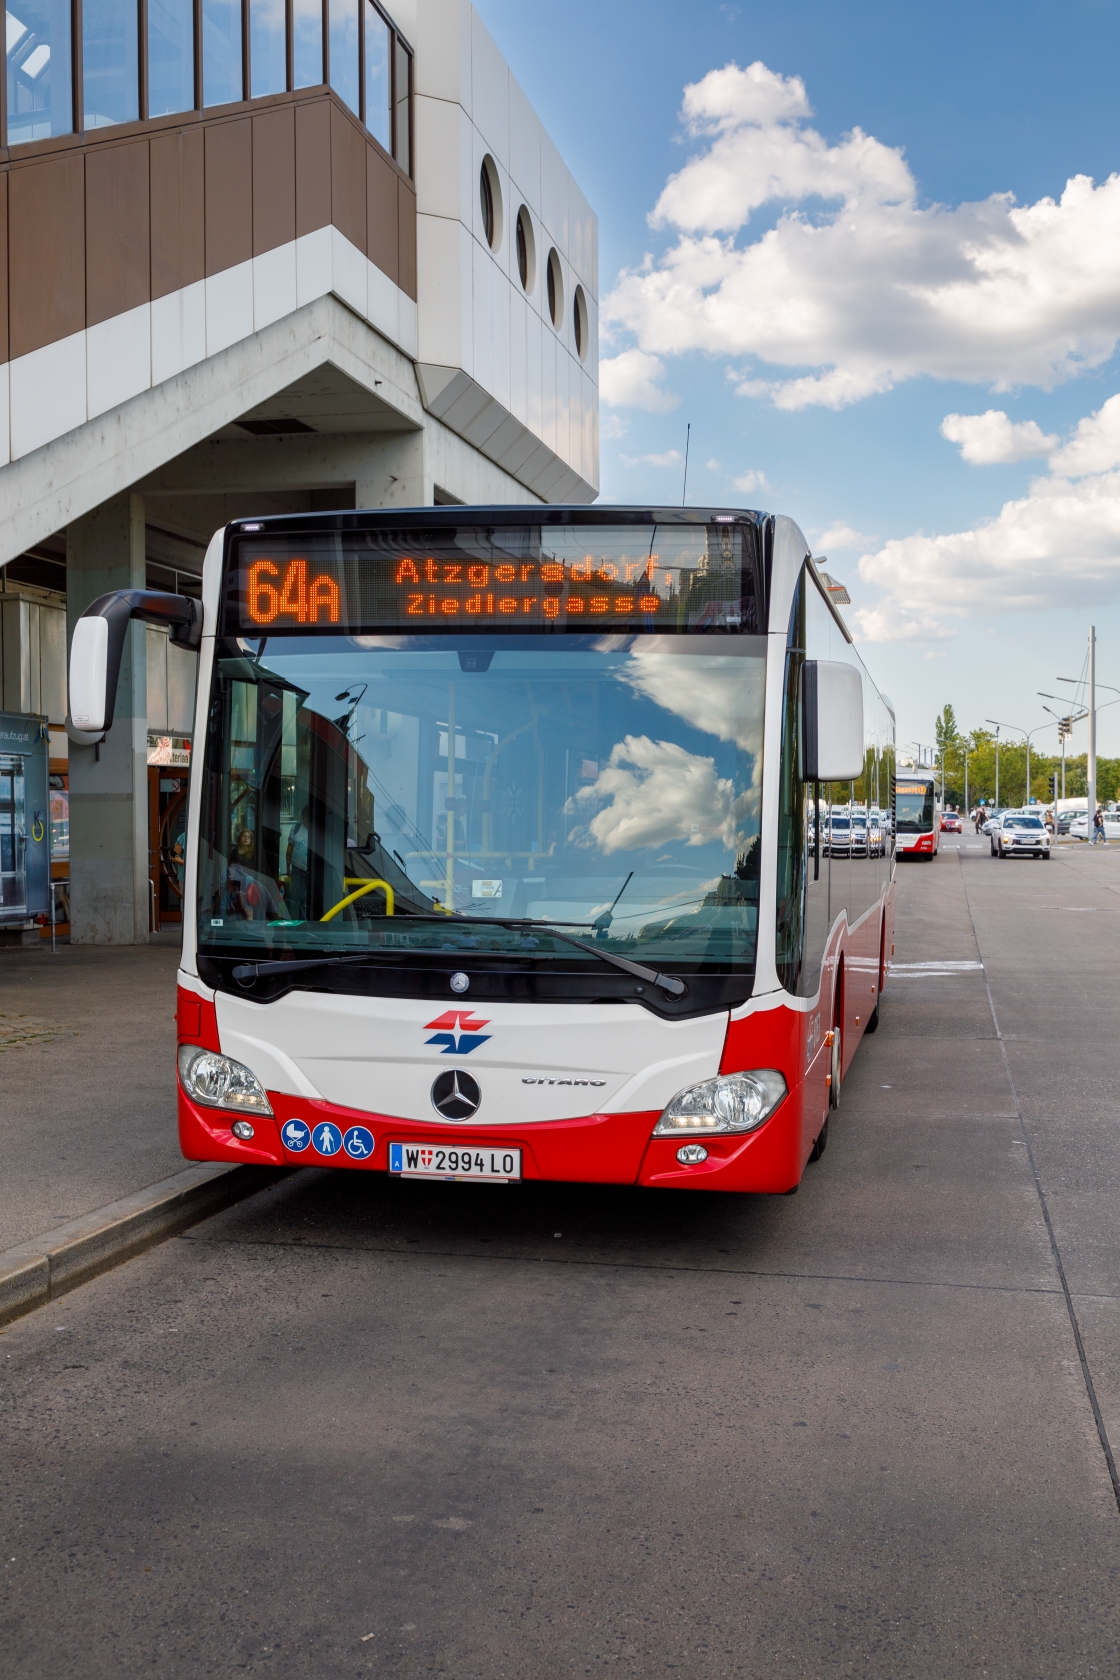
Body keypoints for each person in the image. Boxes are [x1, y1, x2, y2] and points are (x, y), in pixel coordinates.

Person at [286, 805, 310, 918]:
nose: (306, 820)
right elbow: (289, 849)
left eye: (309, 817)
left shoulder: (317, 831)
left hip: (310, 869)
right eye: (305, 817)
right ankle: (297, 920)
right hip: (297, 868)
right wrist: (288, 868)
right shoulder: (295, 829)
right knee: (297, 896)